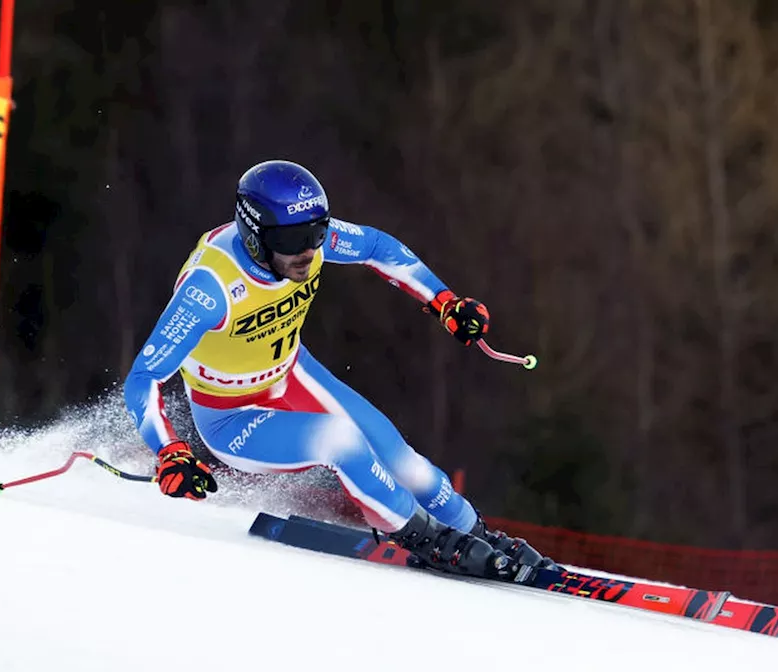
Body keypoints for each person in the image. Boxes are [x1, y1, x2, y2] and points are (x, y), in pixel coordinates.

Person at [122, 159, 551, 580]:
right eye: (292, 240)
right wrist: (170, 451)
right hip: (231, 416)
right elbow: (143, 379)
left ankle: (475, 534)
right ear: (255, 236)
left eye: (317, 233)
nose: (308, 251)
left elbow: (377, 247)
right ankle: (422, 537)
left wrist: (444, 302)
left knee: (408, 465)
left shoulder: (307, 243)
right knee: (342, 442)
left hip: (292, 375)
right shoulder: (209, 290)